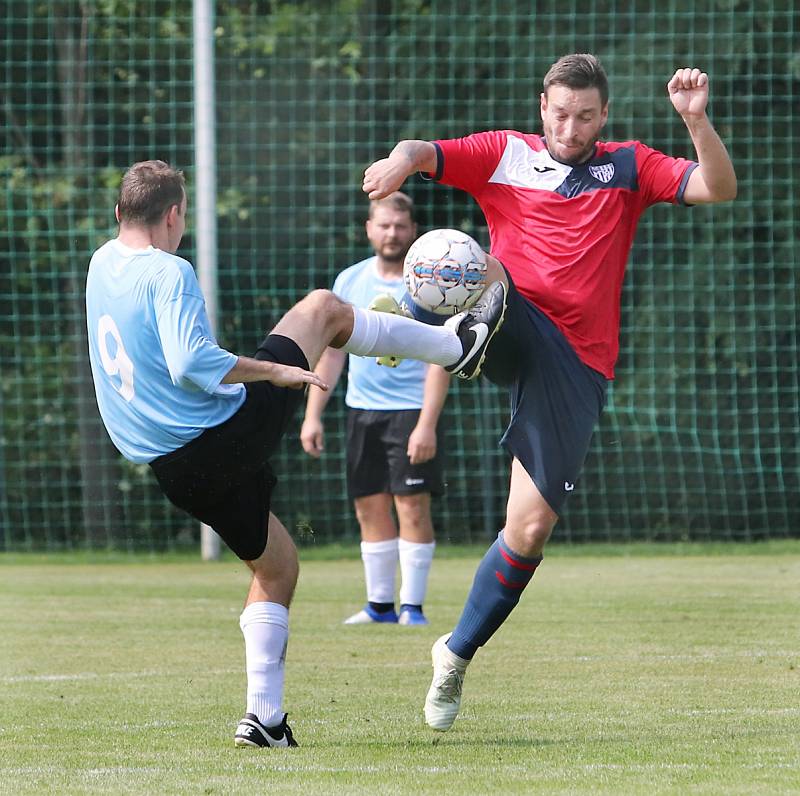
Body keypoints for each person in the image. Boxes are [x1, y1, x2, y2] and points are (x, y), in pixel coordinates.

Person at [362, 55, 737, 731]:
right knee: (470, 262)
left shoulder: (630, 165)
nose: (570, 128)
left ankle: (455, 652)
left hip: (578, 362)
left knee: (528, 532)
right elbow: (424, 151)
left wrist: (696, 120)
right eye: (560, 113)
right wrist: (399, 161)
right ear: (543, 107)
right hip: (514, 314)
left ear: (604, 116)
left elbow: (718, 187)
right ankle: (420, 324)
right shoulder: (505, 153)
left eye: (585, 116)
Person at [85, 160, 505, 748]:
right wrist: (275, 371)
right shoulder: (167, 270)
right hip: (222, 434)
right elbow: (191, 362)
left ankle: (265, 721)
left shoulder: (102, 262)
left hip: (170, 467)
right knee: (322, 309)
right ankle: (453, 344)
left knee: (278, 566)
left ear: (118, 213)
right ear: (174, 213)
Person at [300, 193, 450, 627]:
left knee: (412, 508)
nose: (392, 234)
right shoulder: (349, 282)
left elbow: (440, 358)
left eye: (400, 226)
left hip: (409, 412)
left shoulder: (429, 285)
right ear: (370, 229)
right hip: (360, 412)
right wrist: (313, 414)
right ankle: (380, 607)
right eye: (384, 225)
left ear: (413, 230)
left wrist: (427, 424)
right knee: (368, 506)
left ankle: (413, 609)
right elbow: (332, 354)